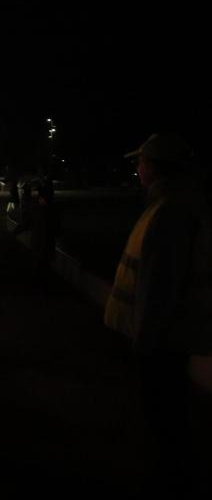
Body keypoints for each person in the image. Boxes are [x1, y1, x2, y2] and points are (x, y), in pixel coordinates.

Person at [104, 133, 211, 498]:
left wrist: (144, 341)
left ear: (153, 167)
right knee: (169, 422)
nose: (137, 169)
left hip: (165, 343)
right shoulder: (172, 205)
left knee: (165, 424)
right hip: (172, 339)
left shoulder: (171, 211)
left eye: (141, 162)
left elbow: (159, 285)